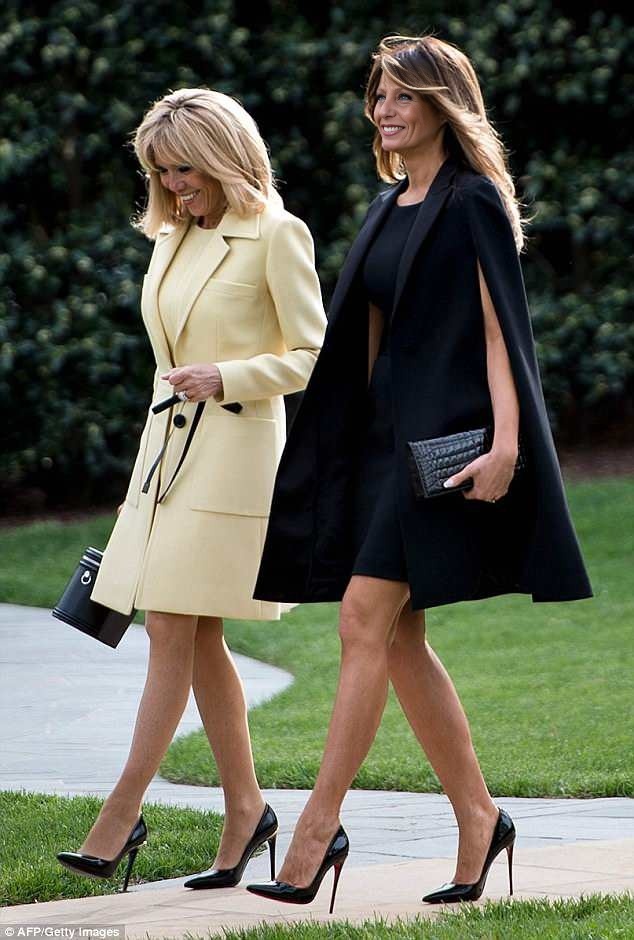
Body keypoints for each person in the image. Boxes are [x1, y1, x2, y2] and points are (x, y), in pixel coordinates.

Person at [246, 35, 592, 911]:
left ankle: (317, 832)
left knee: (363, 618)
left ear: (443, 104)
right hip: (379, 448)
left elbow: (500, 328)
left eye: (404, 96)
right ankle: (480, 818)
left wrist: (507, 443)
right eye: (379, 96)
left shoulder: (472, 200)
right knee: (398, 638)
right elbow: (365, 331)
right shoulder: (387, 204)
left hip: (441, 445)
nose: (385, 110)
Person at [56, 87, 327, 892]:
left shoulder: (277, 233)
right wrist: (138, 483)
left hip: (235, 456)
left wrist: (229, 376)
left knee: (171, 626)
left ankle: (121, 812)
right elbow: (164, 370)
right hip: (164, 462)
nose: (173, 186)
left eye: (184, 169)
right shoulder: (171, 236)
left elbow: (315, 354)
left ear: (222, 158)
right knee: (197, 637)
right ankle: (247, 811)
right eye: (161, 172)